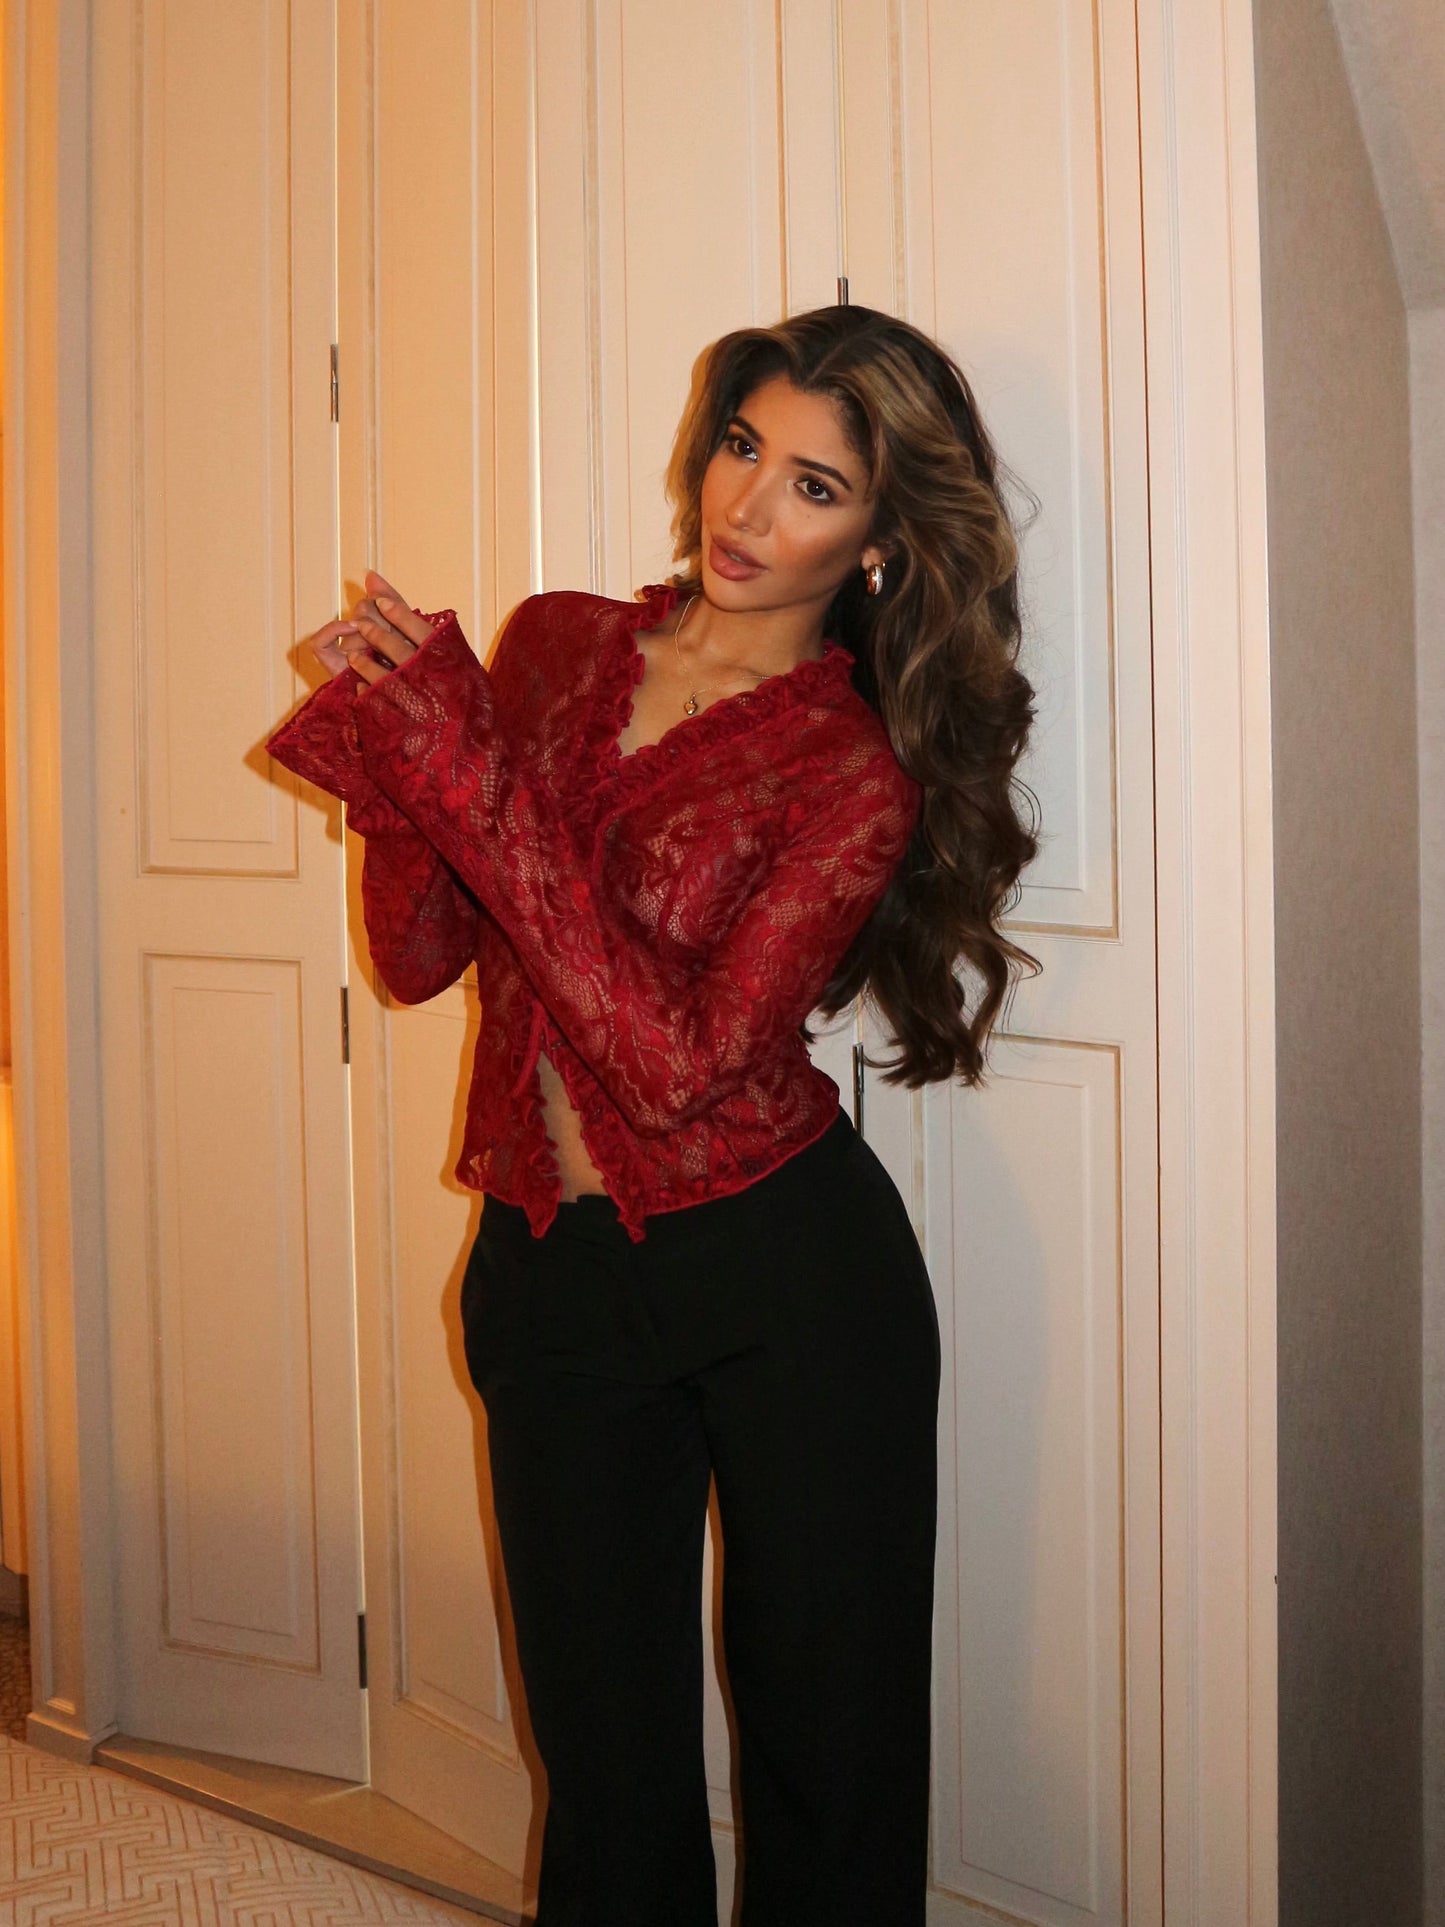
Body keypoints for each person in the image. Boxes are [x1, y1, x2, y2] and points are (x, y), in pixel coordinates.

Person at [266, 303, 1039, 1927]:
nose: (744, 506)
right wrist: (407, 769)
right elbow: (417, 958)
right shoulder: (553, 644)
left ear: (881, 541)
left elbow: (672, 1064)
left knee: (829, 1765)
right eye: (743, 446)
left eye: (815, 486)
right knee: (605, 1773)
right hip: (550, 1272)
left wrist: (463, 771)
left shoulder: (850, 766)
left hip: (789, 1283)